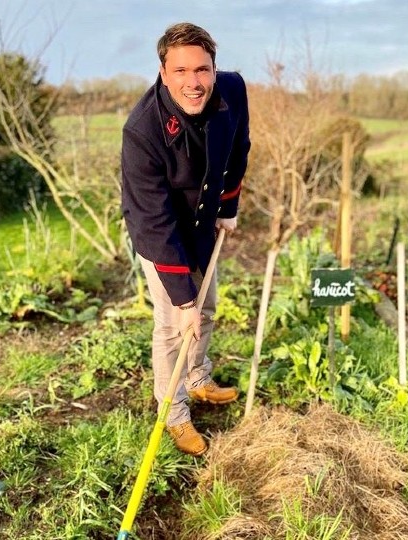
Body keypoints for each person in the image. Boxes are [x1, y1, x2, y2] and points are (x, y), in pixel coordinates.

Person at [121, 22, 251, 456]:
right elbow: (152, 221)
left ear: (215, 69)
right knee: (176, 325)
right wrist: (182, 300)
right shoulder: (141, 131)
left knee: (207, 307)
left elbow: (238, 149)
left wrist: (228, 207)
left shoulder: (232, 90)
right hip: (162, 232)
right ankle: (173, 415)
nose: (193, 83)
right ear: (163, 71)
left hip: (204, 219)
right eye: (180, 71)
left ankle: (197, 379)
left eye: (202, 70)